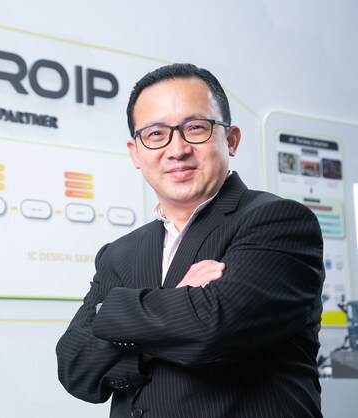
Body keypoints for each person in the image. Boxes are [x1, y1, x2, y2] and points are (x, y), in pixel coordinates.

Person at [56, 63, 325, 417]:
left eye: (195, 128)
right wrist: (176, 301)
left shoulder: (278, 222)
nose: (177, 149)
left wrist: (107, 313)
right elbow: (75, 367)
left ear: (231, 140)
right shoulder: (119, 254)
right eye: (155, 134)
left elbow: (212, 331)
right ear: (136, 152)